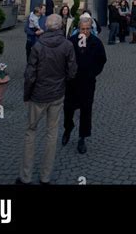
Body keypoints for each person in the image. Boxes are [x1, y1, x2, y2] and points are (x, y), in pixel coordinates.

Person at [17, 14, 77, 185]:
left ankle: (25, 176)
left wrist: (27, 95)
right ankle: (45, 177)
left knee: (30, 132)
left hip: (38, 96)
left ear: (47, 26)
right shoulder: (67, 45)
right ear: (60, 26)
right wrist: (62, 83)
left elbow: (30, 74)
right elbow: (72, 71)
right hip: (57, 95)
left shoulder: (38, 46)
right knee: (52, 134)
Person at [62, 17, 107, 154]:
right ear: (78, 29)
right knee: (68, 108)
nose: (85, 31)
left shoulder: (96, 43)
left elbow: (102, 60)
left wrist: (93, 72)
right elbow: (64, 59)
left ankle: (82, 137)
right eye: (83, 29)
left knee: (86, 109)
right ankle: (68, 128)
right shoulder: (71, 42)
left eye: (88, 29)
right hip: (72, 82)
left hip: (88, 82)